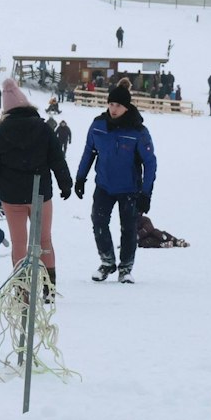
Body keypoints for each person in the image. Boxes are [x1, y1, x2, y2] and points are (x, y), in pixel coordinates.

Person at [0, 78, 73, 291]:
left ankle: (22, 288)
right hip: (41, 194)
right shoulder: (43, 129)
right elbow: (57, 159)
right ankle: (48, 288)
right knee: (44, 240)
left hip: (12, 196)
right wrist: (65, 183)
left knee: (19, 243)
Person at [76, 80, 158, 284]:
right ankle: (107, 262)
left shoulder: (138, 131)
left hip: (130, 189)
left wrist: (146, 193)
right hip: (104, 185)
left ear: (126, 107)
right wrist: (80, 178)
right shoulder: (98, 126)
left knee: (128, 228)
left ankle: (125, 268)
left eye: (118, 106)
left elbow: (150, 163)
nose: (114, 109)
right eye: (111, 104)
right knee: (99, 222)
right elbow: (89, 152)